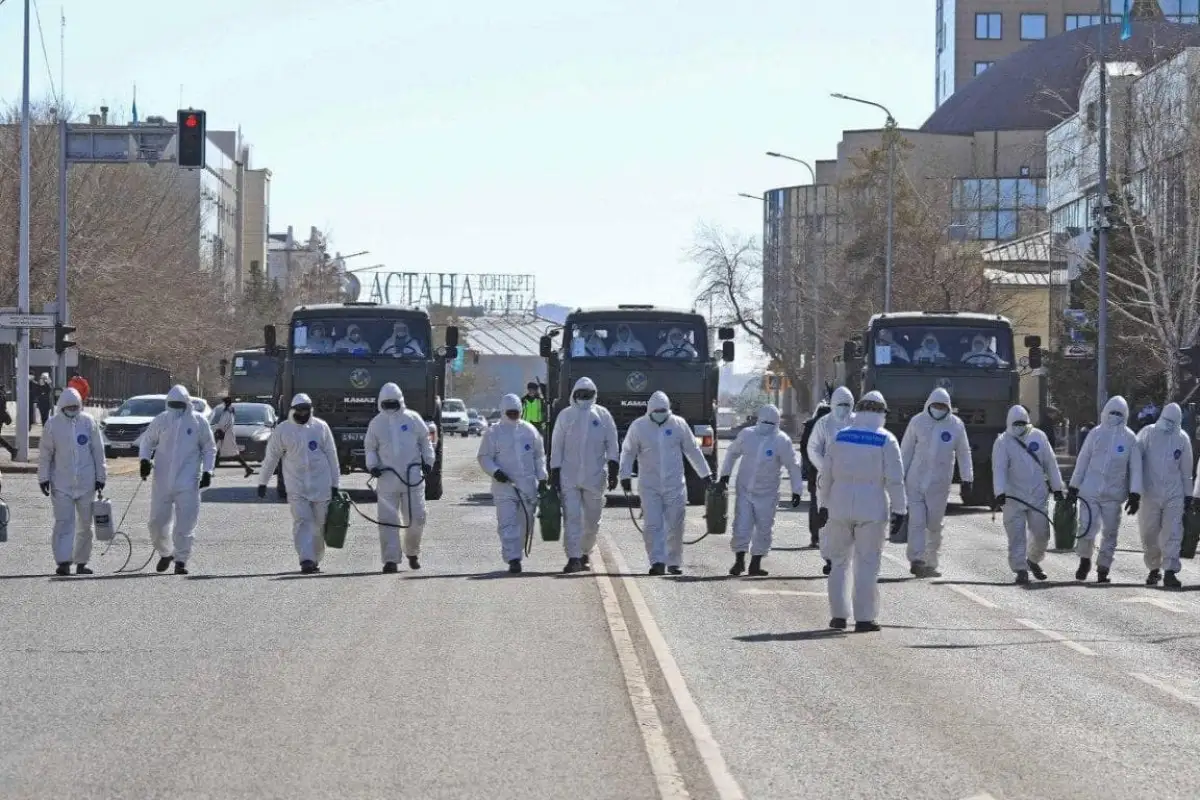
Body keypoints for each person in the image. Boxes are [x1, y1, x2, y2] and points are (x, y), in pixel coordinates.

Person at [816, 390, 906, 633]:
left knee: (839, 562)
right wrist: (900, 510)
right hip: (872, 509)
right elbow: (895, 480)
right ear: (882, 413)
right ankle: (864, 619)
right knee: (867, 563)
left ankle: (838, 616)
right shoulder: (886, 439)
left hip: (839, 506)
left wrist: (823, 505)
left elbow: (826, 475)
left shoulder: (840, 436)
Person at [618, 390, 712, 575]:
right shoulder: (639, 427)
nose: (660, 414)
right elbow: (628, 452)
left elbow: (692, 450)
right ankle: (657, 561)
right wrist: (625, 476)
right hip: (649, 485)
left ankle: (674, 562)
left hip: (675, 484)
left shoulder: (679, 424)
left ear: (668, 409)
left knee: (676, 524)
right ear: (649, 410)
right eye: (657, 411)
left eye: (663, 411)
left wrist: (706, 475)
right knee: (652, 524)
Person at [257, 393, 340, 574]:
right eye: (299, 410)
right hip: (296, 486)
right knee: (302, 521)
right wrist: (263, 481)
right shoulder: (283, 430)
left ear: (311, 410)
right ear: (293, 410)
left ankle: (315, 557)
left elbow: (332, 456)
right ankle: (306, 559)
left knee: (319, 524)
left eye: (306, 410)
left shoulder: (320, 427)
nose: (303, 414)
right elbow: (271, 457)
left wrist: (335, 484)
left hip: (321, 484)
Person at [138, 384, 217, 575]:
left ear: (187, 403)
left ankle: (181, 560)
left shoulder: (198, 422)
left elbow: (209, 448)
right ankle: (166, 553)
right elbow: (147, 442)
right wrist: (144, 461)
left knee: (185, 524)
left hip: (188, 481)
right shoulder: (161, 420)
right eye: (172, 404)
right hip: (162, 481)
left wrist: (208, 471)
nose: (176, 408)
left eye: (179, 405)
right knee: (156, 523)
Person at [719, 404, 803, 577]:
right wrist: (725, 475)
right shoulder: (747, 435)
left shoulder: (781, 441)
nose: (767, 426)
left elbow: (793, 466)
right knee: (741, 525)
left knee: (764, 528)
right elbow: (732, 453)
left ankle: (755, 563)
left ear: (777, 423)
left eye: (770, 424)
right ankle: (739, 561)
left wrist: (797, 490)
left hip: (768, 493)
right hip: (745, 490)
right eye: (764, 422)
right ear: (758, 420)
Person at [1067, 395, 1143, 583]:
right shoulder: (1095, 434)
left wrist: (1135, 494)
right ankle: (1085, 560)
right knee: (1087, 527)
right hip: (1090, 491)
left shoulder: (1130, 438)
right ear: (1105, 412)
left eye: (1119, 413)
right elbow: (1083, 460)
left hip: (1113, 494)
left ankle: (1104, 567)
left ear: (1125, 415)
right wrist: (1074, 486)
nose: (1115, 416)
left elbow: (1136, 468)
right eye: (1112, 412)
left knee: (1110, 532)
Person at [900, 387, 973, 578]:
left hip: (939, 485)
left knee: (934, 525)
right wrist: (898, 477)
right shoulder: (917, 422)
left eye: (942, 406)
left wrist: (967, 478)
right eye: (936, 405)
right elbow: (906, 451)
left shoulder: (956, 425)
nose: (939, 409)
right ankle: (916, 560)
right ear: (929, 404)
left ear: (948, 407)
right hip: (915, 481)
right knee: (917, 522)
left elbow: (964, 452)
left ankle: (931, 562)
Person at [550, 377, 619, 573]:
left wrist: (613, 468)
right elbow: (556, 445)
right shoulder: (565, 416)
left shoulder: (603, 415)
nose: (584, 397)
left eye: (588, 394)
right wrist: (555, 471)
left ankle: (584, 552)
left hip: (595, 477)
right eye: (581, 394)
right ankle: (573, 557)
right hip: (569, 476)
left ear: (594, 395)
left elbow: (612, 443)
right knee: (572, 517)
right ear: (574, 395)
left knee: (591, 521)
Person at [365, 382, 434, 573]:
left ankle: (412, 551)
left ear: (400, 401)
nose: (390, 407)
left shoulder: (413, 418)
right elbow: (370, 448)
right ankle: (390, 559)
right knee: (388, 520)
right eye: (386, 404)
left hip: (412, 477)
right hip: (387, 478)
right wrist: (372, 466)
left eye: (393, 403)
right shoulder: (376, 423)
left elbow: (425, 441)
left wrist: (428, 461)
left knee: (417, 518)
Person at [992, 405, 1065, 584]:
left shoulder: (1039, 437)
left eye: (1022, 423)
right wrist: (1000, 492)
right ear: (1009, 423)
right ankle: (1020, 570)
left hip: (1037, 496)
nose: (1019, 426)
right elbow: (999, 469)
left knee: (1042, 535)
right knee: (1016, 537)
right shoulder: (1003, 442)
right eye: (1015, 423)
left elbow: (1051, 464)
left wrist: (1057, 488)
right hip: (1013, 498)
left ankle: (1033, 560)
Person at [38, 387, 106, 576]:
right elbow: (45, 454)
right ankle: (63, 562)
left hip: (86, 483)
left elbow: (98, 451)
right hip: (61, 483)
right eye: (69, 407)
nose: (72, 410)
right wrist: (43, 477)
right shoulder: (52, 425)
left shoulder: (88, 422)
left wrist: (101, 477)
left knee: (85, 524)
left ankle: (82, 562)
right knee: (64, 522)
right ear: (61, 407)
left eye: (75, 407)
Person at [478, 394, 547, 573]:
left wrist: (542, 478)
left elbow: (539, 456)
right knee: (507, 523)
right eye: (510, 413)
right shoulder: (493, 433)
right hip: (504, 487)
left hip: (527, 486)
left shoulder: (530, 431)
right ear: (503, 412)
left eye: (516, 412)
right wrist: (495, 471)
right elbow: (484, 457)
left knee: (526, 523)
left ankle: (517, 551)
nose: (513, 416)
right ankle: (513, 559)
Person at [1138, 402, 1192, 589]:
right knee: (1149, 533)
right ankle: (1154, 568)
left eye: (1172, 421)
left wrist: (1188, 495)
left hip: (1174, 494)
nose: (1169, 424)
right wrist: (1134, 488)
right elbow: (1135, 461)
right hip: (1149, 492)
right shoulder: (1148, 433)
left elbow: (1186, 471)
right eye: (1166, 420)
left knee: (1172, 532)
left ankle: (1170, 570)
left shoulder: (1182, 439)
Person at [806, 386, 856, 575]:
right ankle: (828, 557)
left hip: (852, 480)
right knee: (827, 518)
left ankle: (845, 556)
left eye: (847, 405)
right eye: (840, 404)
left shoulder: (858, 423)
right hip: (828, 479)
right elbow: (813, 448)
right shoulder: (824, 423)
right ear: (833, 404)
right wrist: (825, 467)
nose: (843, 408)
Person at [798, 401, 831, 547]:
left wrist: (810, 464)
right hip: (833, 471)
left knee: (814, 503)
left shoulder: (810, 425)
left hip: (814, 470)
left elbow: (804, 447)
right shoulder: (834, 425)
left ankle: (815, 536)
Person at [211, 397, 255, 478]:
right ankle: (248, 468)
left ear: (226, 403)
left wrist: (218, 430)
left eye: (224, 402)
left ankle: (248, 468)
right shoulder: (229, 411)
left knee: (232, 453)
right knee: (218, 452)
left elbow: (223, 424)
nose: (223, 404)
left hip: (226, 435)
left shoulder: (227, 412)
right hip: (226, 434)